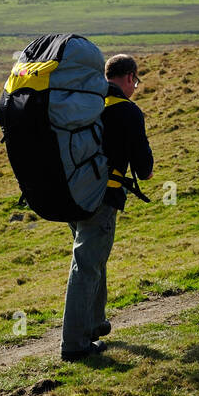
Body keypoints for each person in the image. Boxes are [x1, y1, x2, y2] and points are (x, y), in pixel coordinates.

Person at [60, 53, 153, 361]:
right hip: (101, 199)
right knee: (86, 265)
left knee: (93, 260)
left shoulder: (85, 103)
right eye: (136, 82)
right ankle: (75, 346)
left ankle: (95, 324)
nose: (135, 87)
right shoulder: (127, 111)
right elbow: (145, 169)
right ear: (128, 77)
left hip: (71, 195)